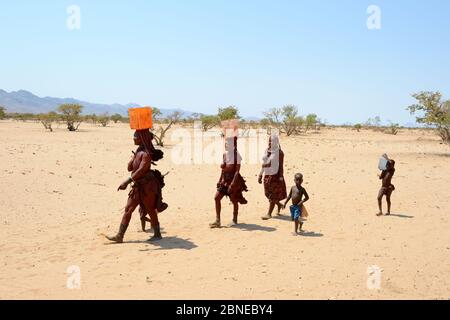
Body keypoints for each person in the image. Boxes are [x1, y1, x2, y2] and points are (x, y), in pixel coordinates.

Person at [106, 129, 167, 243]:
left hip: (147, 186)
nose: (133, 138)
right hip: (137, 186)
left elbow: (142, 170)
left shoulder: (146, 154)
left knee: (150, 209)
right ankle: (120, 236)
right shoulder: (139, 152)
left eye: (136, 136)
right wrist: (133, 158)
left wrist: (127, 181)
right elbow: (130, 168)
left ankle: (157, 234)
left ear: (142, 138)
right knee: (128, 209)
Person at [210, 136, 248, 228]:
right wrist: (219, 180)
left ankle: (235, 219)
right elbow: (223, 170)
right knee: (216, 198)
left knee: (234, 200)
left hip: (233, 180)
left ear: (233, 144)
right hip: (224, 180)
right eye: (225, 143)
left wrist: (232, 184)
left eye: (228, 143)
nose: (226, 144)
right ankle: (217, 220)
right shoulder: (225, 154)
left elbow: (237, 171)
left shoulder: (237, 156)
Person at [258, 134, 287, 220]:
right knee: (267, 194)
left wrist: (281, 177)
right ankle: (279, 205)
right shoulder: (266, 150)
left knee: (273, 195)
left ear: (277, 142)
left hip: (275, 177)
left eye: (273, 141)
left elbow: (281, 166)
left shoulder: (280, 153)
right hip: (267, 176)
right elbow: (264, 164)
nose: (270, 142)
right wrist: (260, 174)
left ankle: (269, 214)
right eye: (269, 140)